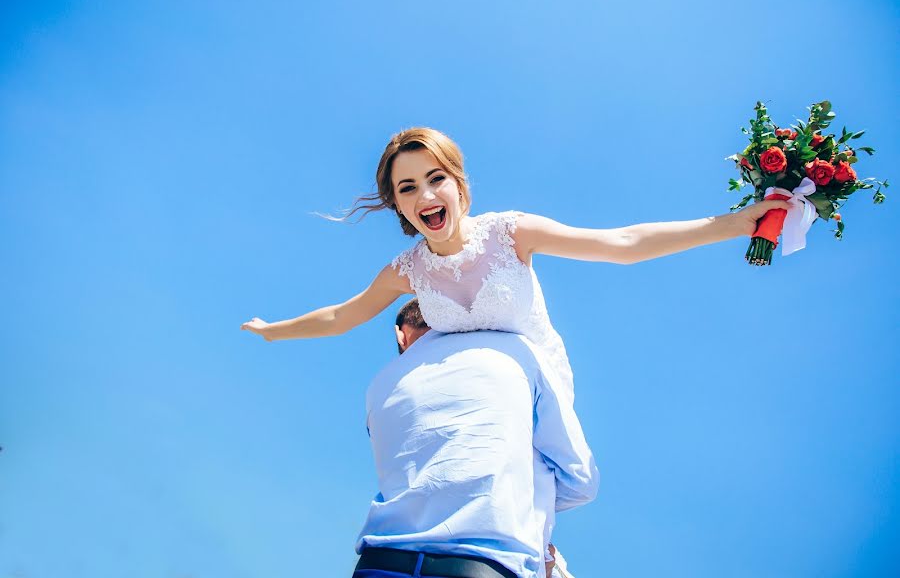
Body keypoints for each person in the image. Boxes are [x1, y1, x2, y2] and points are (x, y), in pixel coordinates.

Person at [240, 126, 789, 407]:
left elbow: (621, 242)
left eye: (435, 178)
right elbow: (342, 316)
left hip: (533, 390)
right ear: (400, 207)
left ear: (458, 185)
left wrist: (734, 223)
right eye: (407, 188)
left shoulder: (511, 232)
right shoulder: (407, 271)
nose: (425, 193)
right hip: (466, 396)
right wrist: (272, 334)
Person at [355, 297, 596, 578]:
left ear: (401, 335)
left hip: (380, 563)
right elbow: (581, 480)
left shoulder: (379, 385)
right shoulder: (517, 354)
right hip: (480, 565)